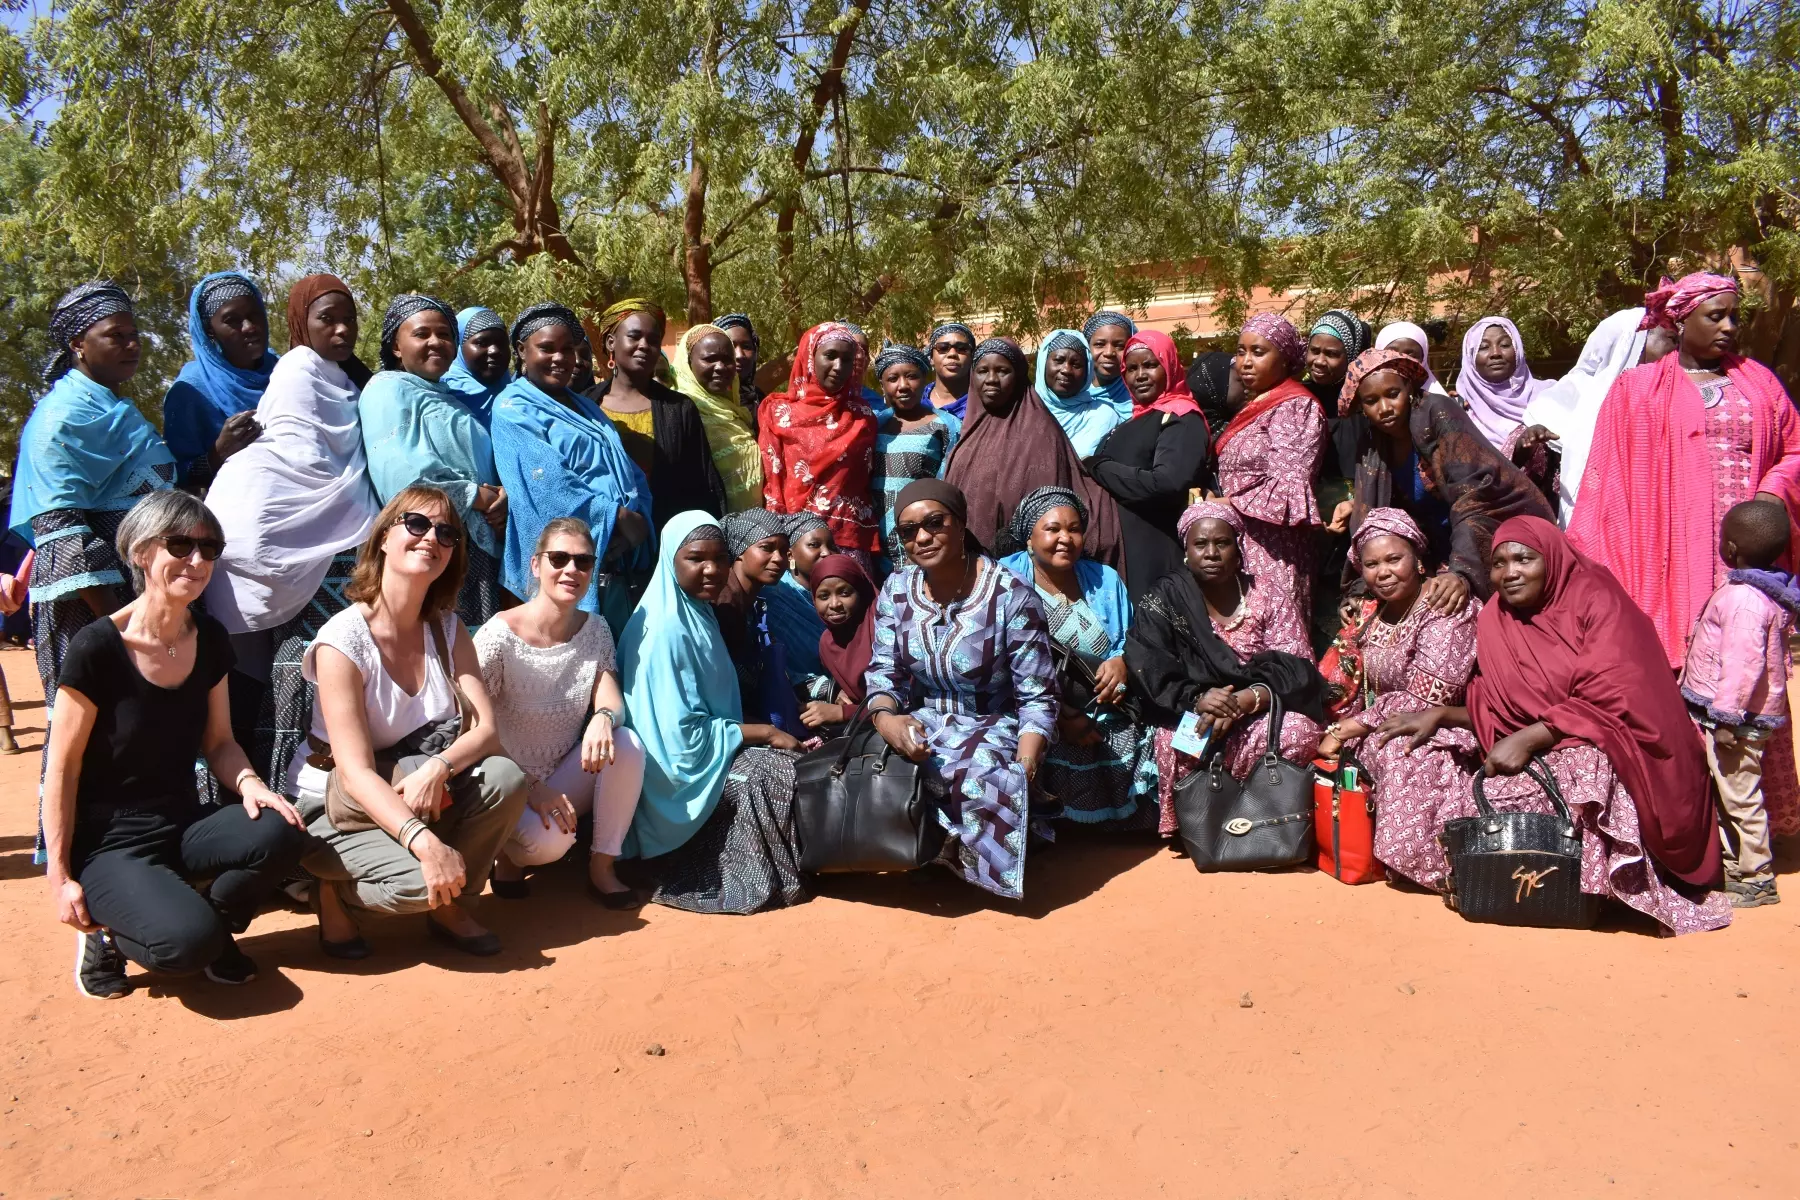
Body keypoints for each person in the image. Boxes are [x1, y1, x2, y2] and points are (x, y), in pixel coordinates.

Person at [1379, 517, 1731, 934]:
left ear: (1551, 558)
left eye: (1524, 559)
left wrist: (1530, 738)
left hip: (1626, 744)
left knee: (1584, 768)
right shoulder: (1496, 617)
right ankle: (1508, 884)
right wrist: (1440, 715)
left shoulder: (1595, 598)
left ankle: (1601, 887)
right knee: (1460, 779)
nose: (1510, 573)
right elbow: (1501, 705)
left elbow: (1616, 696)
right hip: (1549, 744)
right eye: (1498, 563)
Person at [42, 490, 306, 998]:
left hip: (183, 821)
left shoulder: (208, 637)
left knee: (283, 830)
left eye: (210, 549)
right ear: (142, 552)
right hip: (111, 843)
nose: (197, 560)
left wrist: (252, 784)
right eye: (180, 545)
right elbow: (63, 770)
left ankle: (211, 924)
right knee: (185, 947)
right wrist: (60, 877)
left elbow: (221, 742)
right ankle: (110, 937)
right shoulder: (98, 647)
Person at [295, 487, 530, 958]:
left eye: (446, 533)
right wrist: (425, 844)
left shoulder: (447, 628)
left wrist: (437, 767)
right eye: (416, 524)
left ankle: (449, 905)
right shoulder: (342, 641)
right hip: (338, 805)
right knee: (419, 886)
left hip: (417, 786)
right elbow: (356, 772)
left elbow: (486, 730)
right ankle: (331, 890)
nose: (432, 539)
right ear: (383, 537)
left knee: (506, 778)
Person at [1569, 271, 1800, 668]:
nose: (1729, 327)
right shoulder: (1636, 388)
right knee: (1676, 661)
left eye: (1734, 317)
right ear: (1681, 320)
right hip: (1667, 544)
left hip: (1748, 543)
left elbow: (1794, 448)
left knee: (1749, 663)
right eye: (1715, 317)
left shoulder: (1759, 382)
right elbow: (1610, 478)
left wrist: (1771, 494)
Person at [205, 273, 382, 785]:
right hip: (302, 543)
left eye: (349, 318)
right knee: (300, 671)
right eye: (328, 319)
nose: (343, 329)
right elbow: (303, 460)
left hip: (339, 548)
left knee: (326, 670)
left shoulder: (346, 378)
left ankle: (328, 793)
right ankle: (286, 791)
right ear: (300, 324)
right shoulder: (298, 370)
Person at [9, 282, 175, 782]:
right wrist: (129, 628)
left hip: (148, 597)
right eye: (115, 335)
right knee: (103, 738)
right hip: (96, 612)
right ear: (78, 343)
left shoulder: (116, 410)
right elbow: (65, 539)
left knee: (161, 730)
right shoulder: (59, 421)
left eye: (134, 333)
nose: (132, 344)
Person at [864, 479, 1057, 899]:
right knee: (883, 769)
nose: (922, 537)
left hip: (994, 718)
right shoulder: (897, 590)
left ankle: (984, 867)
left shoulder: (1009, 594)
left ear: (961, 523)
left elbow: (1037, 695)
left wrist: (1025, 766)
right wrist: (886, 720)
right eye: (908, 530)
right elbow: (883, 672)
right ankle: (927, 853)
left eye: (934, 523)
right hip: (924, 717)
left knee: (980, 773)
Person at [617, 510, 805, 915]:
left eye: (720, 558)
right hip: (671, 779)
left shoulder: (696, 614)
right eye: (696, 558)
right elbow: (681, 740)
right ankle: (703, 870)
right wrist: (766, 734)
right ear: (670, 559)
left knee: (784, 763)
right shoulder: (666, 629)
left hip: (702, 752)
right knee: (768, 772)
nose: (712, 569)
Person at [1126, 501, 1325, 838]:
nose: (1212, 553)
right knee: (1173, 740)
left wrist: (1250, 698)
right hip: (1192, 711)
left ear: (1239, 548)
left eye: (1222, 543)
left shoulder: (1267, 593)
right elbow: (1149, 662)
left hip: (1256, 710)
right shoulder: (1166, 596)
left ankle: (1263, 821)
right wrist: (1199, 698)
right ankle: (1199, 823)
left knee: (1298, 732)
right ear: (1186, 551)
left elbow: (1297, 664)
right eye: (1200, 544)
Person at [475, 518, 648, 906]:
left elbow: (610, 699)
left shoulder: (596, 629)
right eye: (559, 558)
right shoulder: (498, 635)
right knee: (547, 845)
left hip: (563, 775)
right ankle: (507, 856)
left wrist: (603, 718)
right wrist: (533, 790)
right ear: (535, 565)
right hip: (504, 781)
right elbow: (473, 727)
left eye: (583, 562)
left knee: (627, 743)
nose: (571, 570)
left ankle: (602, 867)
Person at [1314, 509, 1481, 889]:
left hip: (1448, 723)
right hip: (1383, 720)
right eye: (1371, 565)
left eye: (1394, 559)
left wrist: (1349, 728)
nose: (1383, 572)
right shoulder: (1374, 612)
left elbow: (1432, 693)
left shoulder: (1446, 607)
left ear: (1419, 559)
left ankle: (1434, 866)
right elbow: (1348, 680)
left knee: (1402, 750)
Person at [1329, 346, 1554, 607]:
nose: (1385, 408)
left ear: (1409, 388)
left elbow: (1473, 499)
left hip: (1494, 529)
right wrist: (1361, 586)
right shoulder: (1373, 443)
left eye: (1393, 394)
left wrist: (1460, 572)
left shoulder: (1437, 412)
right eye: (1371, 401)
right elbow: (1372, 519)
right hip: (1442, 545)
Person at [490, 302, 656, 640]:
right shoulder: (512, 409)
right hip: (571, 561)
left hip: (617, 557)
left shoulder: (584, 406)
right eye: (547, 348)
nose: (561, 358)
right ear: (522, 350)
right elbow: (547, 485)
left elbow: (625, 468)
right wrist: (616, 516)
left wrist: (638, 520)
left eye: (569, 349)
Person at [999, 487, 1156, 830]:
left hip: (1104, 703)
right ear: (1029, 537)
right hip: (1035, 705)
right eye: (1053, 529)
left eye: (1073, 529)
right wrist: (1062, 715)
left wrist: (1121, 663)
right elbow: (1002, 663)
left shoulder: (1104, 578)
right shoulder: (1005, 581)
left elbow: (1130, 639)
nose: (1065, 539)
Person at [1677, 500, 1798, 908]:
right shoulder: (1765, 589)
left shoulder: (1744, 601)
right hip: (1742, 715)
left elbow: (1743, 667)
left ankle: (1756, 877)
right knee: (1731, 790)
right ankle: (1735, 863)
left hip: (1736, 719)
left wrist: (1726, 719)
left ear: (1730, 548)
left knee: (1740, 795)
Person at [360, 293, 508, 627]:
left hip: (474, 552)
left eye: (444, 335)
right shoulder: (387, 391)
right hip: (426, 546)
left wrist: (501, 500)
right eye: (421, 334)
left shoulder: (448, 397)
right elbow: (400, 478)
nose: (435, 342)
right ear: (396, 346)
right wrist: (479, 497)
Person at [943, 337, 1127, 567]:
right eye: (982, 371)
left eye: (1002, 371)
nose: (991, 380)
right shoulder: (970, 432)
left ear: (1019, 376)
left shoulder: (1040, 430)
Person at [1214, 312, 1326, 629]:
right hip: (1240, 542)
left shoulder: (1296, 407)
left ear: (1285, 358)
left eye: (1258, 352)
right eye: (1240, 351)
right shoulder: (1258, 404)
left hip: (1277, 549)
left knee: (1277, 636)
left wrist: (1229, 504)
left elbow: (1290, 486)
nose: (1244, 362)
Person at [1086, 328, 1212, 597]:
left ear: (1169, 366)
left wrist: (1098, 466)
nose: (1139, 375)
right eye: (1131, 369)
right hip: (1123, 554)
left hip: (1155, 553)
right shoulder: (1136, 419)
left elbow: (1167, 482)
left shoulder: (1182, 417)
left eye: (1150, 365)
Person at [1521, 308, 1676, 523]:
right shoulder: (1555, 407)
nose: (1678, 350)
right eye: (1672, 339)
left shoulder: (1677, 396)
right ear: (1630, 345)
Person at [587, 299, 729, 529]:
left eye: (653, 340)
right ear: (611, 342)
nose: (644, 345)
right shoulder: (586, 406)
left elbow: (701, 485)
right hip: (599, 537)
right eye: (634, 337)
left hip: (665, 539)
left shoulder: (679, 409)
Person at [758, 321, 880, 566]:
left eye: (847, 359)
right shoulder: (778, 412)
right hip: (796, 542)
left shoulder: (863, 416)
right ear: (810, 357)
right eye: (830, 356)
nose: (838, 367)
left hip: (849, 543)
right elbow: (774, 483)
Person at [161, 271, 276, 490]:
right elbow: (175, 479)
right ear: (209, 331)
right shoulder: (190, 391)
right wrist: (218, 452)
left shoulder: (284, 371)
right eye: (232, 321)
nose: (249, 327)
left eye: (255, 315)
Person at [870, 344, 960, 572]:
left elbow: (950, 485)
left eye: (911, 376)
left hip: (922, 537)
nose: (903, 386)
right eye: (893, 378)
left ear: (924, 378)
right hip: (874, 540)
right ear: (882, 384)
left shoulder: (946, 425)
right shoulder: (872, 425)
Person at [713, 509, 801, 733]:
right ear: (740, 551)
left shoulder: (750, 602)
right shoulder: (725, 603)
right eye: (767, 548)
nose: (778, 559)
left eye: (784, 551)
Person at [671, 323, 764, 512]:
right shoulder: (678, 414)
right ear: (689, 363)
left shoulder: (737, 414)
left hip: (752, 532)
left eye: (727, 360)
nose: (721, 367)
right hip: (708, 533)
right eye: (710, 359)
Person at [802, 552, 877, 730]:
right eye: (824, 596)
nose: (834, 604)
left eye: (844, 593)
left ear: (861, 592)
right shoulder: (828, 645)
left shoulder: (884, 629)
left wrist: (843, 713)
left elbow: (908, 703)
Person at [1455, 316, 1553, 451]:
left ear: (1518, 350)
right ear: (1470, 357)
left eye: (1505, 345)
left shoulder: (1551, 395)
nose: (1495, 353)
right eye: (1483, 347)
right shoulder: (1458, 409)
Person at [763, 512, 835, 692]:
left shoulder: (840, 590)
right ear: (790, 555)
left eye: (831, 546)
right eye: (814, 545)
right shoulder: (775, 597)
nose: (827, 553)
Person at [1034, 329, 1122, 458]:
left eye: (1076, 364)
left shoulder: (1102, 415)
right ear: (1043, 364)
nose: (1066, 370)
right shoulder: (1023, 412)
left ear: (1087, 373)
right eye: (1059, 360)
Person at [440, 306, 511, 425]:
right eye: (481, 343)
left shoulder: (518, 396)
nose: (494, 351)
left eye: (502, 343)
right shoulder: (443, 396)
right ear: (458, 346)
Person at [1304, 309, 1373, 414]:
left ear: (1351, 358)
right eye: (1315, 351)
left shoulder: (1365, 404)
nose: (1319, 361)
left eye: (1331, 354)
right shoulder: (1296, 399)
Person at [1082, 310, 1137, 424]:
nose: (1109, 352)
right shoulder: (1073, 395)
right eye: (1100, 344)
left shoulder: (1140, 396)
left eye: (1119, 346)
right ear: (1087, 348)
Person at [713, 313, 764, 432]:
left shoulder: (761, 401)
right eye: (730, 346)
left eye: (746, 346)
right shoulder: (704, 401)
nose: (740, 355)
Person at [1184, 350, 1241, 455]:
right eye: (1240, 380)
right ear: (1216, 384)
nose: (1248, 386)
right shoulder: (1184, 428)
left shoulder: (1245, 422)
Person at [1374, 321, 1450, 396]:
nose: (1401, 363)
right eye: (1392, 355)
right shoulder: (1369, 397)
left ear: (1423, 359)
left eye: (1410, 357)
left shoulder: (1438, 405)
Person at [925, 320, 976, 417]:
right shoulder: (916, 401)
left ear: (971, 357)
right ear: (931, 358)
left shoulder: (982, 404)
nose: (952, 354)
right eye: (943, 348)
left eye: (961, 348)